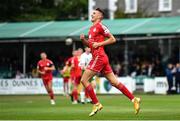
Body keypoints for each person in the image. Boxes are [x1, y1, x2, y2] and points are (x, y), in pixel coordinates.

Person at [80, 8, 141, 116]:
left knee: (84, 80)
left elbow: (113, 39)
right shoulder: (91, 29)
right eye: (92, 13)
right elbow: (91, 45)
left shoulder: (100, 26)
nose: (92, 14)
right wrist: (83, 40)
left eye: (94, 13)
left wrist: (99, 44)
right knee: (114, 82)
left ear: (100, 16)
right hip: (100, 58)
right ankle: (134, 99)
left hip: (99, 57)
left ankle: (97, 104)